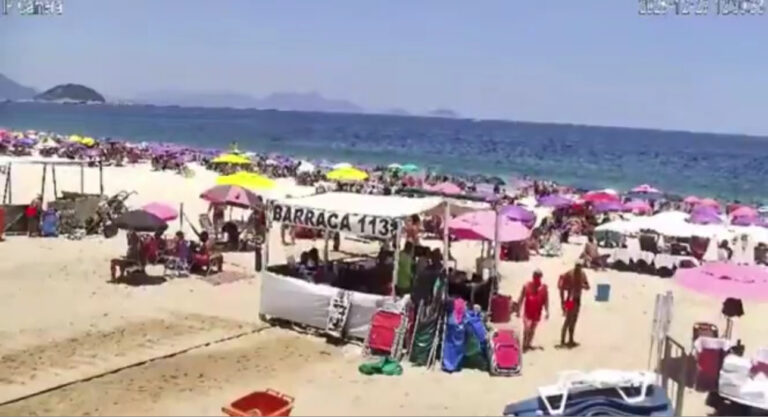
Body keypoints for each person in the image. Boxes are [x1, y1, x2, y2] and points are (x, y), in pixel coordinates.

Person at [517, 269, 549, 351]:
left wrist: (547, 311)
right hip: (527, 312)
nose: (536, 279)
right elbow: (521, 298)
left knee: (532, 329)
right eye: (535, 277)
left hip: (537, 312)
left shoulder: (543, 288)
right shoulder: (527, 286)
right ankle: (525, 344)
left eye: (538, 277)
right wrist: (518, 309)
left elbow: (546, 300)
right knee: (526, 329)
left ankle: (528, 344)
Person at [558, 263, 590, 347]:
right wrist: (562, 302)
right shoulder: (569, 274)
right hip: (570, 300)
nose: (578, 269)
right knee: (568, 320)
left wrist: (582, 286)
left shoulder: (582, 274)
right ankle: (562, 340)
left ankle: (571, 339)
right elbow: (561, 288)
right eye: (577, 267)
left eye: (579, 267)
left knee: (574, 320)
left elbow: (588, 286)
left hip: (577, 299)